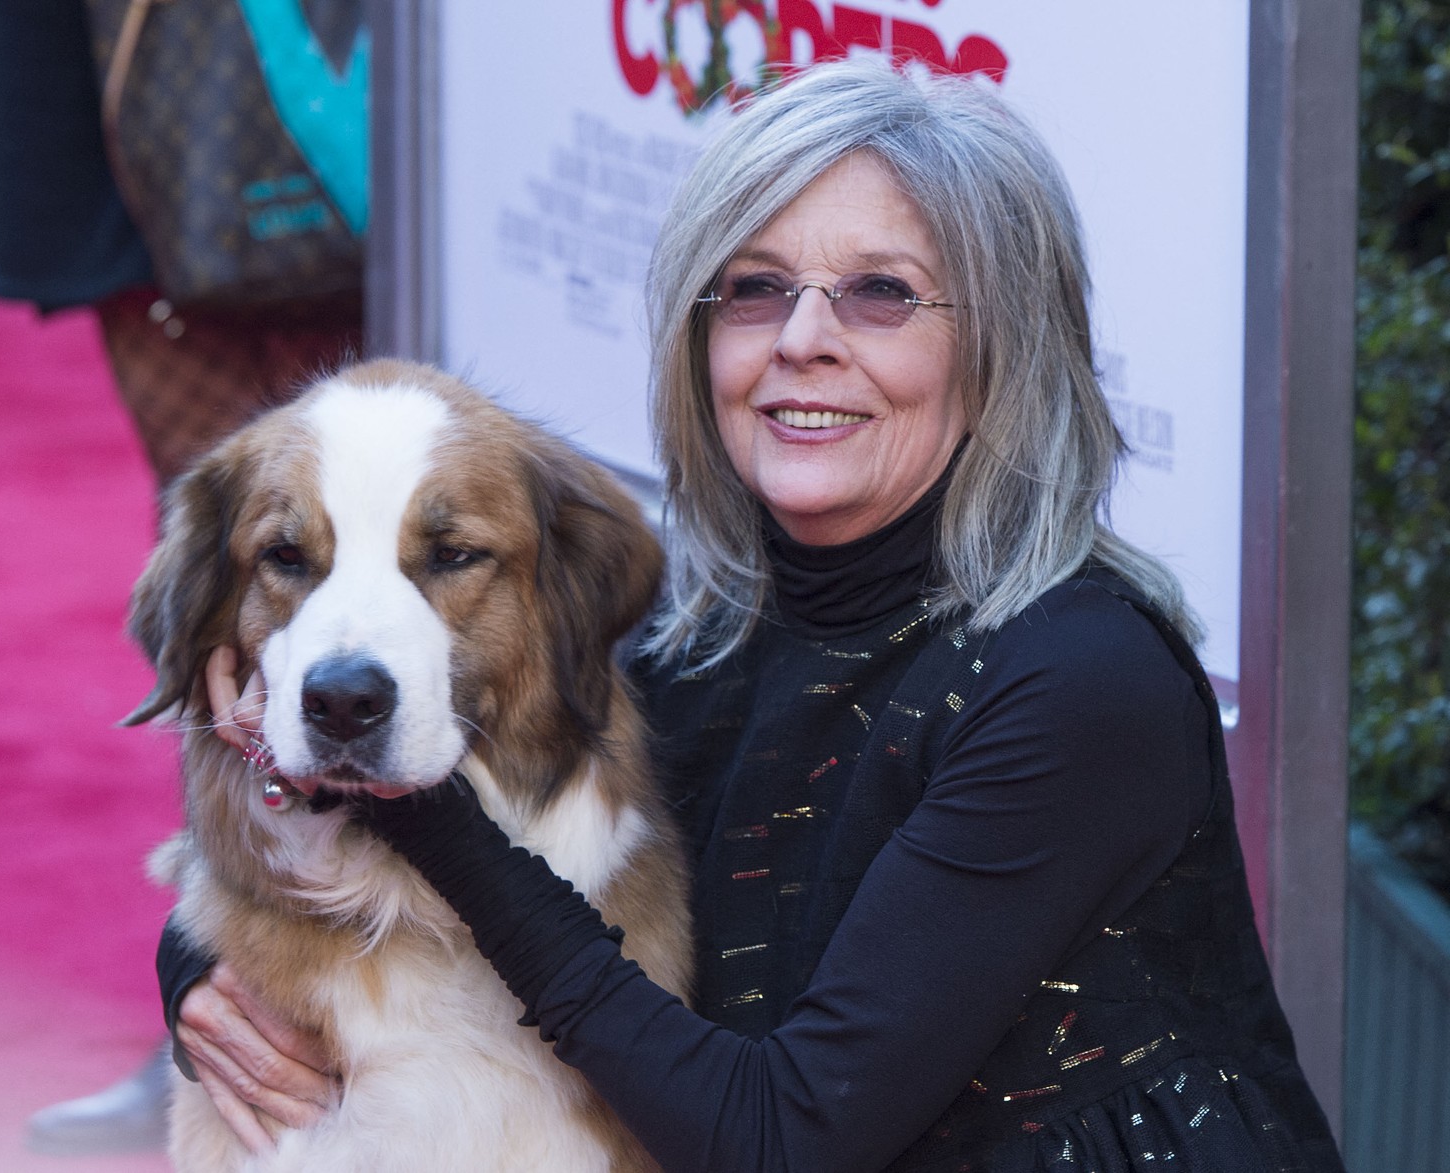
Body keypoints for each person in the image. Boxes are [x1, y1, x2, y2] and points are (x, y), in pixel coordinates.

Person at [159, 60, 1345, 1169]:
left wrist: (420, 816)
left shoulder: (1078, 684)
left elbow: (780, 1139)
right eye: (755, 289)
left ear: (1000, 350)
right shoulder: (705, 625)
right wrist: (199, 968)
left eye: (880, 294)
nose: (801, 340)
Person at [0, 0, 362, 1151]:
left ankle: (387, 1013)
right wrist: (73, 222)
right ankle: (228, 1008)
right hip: (146, 132)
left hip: (424, 134)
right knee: (229, 610)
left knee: (394, 595)